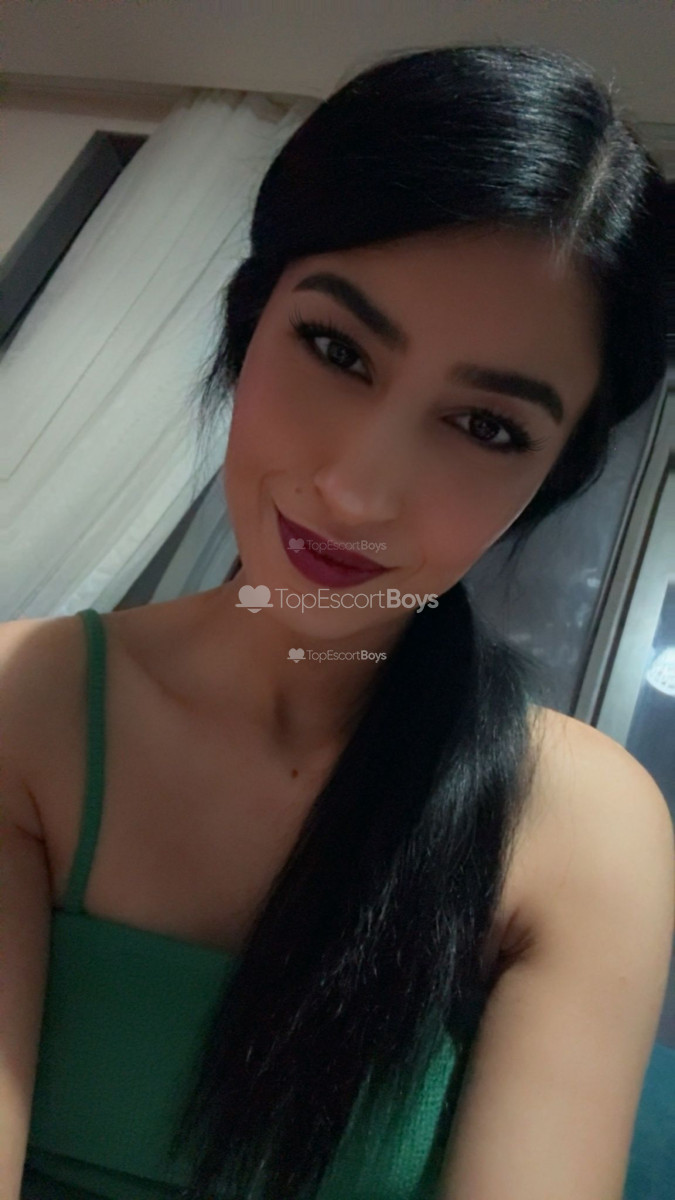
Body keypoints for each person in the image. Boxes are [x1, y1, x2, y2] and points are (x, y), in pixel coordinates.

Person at [3, 42, 674, 1200]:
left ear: (549, 477)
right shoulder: (29, 709)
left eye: (488, 427)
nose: (357, 491)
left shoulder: (580, 828)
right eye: (336, 349)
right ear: (249, 320)